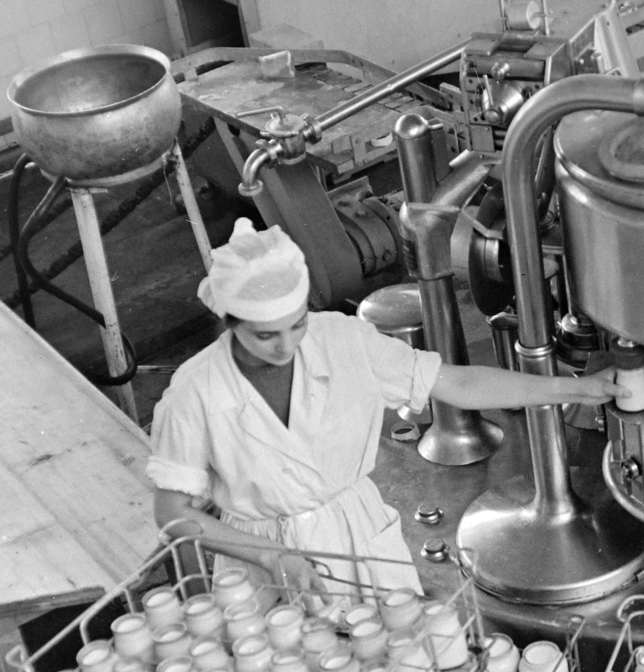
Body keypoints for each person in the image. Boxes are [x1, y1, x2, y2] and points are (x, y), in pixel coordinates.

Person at [148, 219, 616, 599]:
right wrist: (270, 555)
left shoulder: (343, 340)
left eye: (296, 326)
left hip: (357, 538)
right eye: (265, 335)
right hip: (255, 564)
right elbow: (172, 510)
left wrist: (576, 390)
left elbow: (458, 383)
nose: (286, 346)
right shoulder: (195, 393)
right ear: (228, 323)